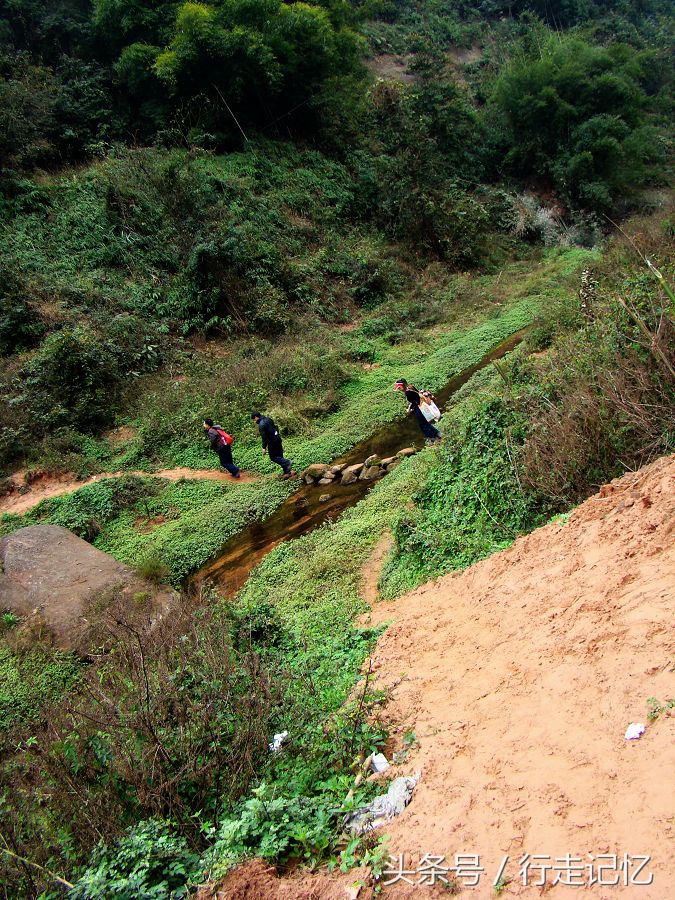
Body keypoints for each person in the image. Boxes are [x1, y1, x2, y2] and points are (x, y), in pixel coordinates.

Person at [251, 411, 295, 478]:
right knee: (280, 456)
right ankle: (287, 471)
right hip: (277, 439)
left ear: (256, 417)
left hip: (272, 442)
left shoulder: (261, 425)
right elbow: (276, 428)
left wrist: (263, 447)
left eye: (254, 419)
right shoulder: (268, 419)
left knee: (273, 457)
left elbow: (264, 437)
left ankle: (287, 462)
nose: (254, 421)